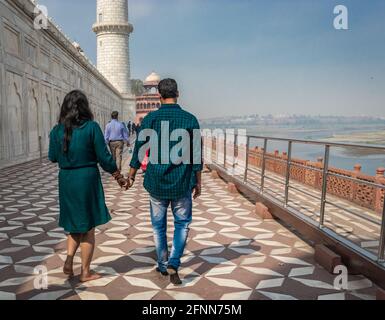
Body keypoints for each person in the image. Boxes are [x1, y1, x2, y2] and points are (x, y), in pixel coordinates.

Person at [126, 79, 203, 285]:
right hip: (182, 181)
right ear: (178, 93)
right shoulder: (190, 119)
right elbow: (196, 155)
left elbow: (139, 150)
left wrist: (131, 175)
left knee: (158, 226)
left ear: (159, 95)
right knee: (183, 224)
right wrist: (198, 181)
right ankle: (174, 262)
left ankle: (162, 264)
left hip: (156, 181)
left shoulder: (151, 119)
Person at [48, 90, 126, 283]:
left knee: (74, 224)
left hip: (66, 180)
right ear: (85, 107)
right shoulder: (91, 128)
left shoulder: (57, 130)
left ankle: (68, 260)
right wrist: (117, 175)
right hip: (86, 179)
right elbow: (104, 157)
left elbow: (52, 157)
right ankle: (85, 272)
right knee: (88, 228)